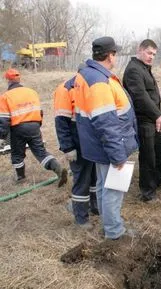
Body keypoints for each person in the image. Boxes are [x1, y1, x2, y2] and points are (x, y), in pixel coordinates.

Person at [73, 36, 139, 240]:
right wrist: (118, 155)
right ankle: (114, 232)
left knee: (103, 186)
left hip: (96, 145)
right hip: (109, 146)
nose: (116, 57)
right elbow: (106, 123)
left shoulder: (88, 75)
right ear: (110, 55)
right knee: (113, 189)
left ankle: (108, 224)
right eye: (115, 53)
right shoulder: (99, 82)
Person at [0, 68, 67, 187]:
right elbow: (40, 112)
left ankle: (21, 178)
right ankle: (57, 168)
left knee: (17, 155)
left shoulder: (5, 97)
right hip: (34, 126)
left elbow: (4, 120)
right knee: (41, 152)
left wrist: (2, 136)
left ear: (8, 80)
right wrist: (37, 126)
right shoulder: (32, 92)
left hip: (17, 129)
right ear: (19, 79)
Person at [123, 39, 161, 202]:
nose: (151, 57)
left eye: (154, 54)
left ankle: (158, 180)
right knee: (148, 156)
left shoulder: (144, 68)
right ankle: (147, 193)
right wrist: (157, 115)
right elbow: (141, 97)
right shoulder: (133, 70)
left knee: (160, 150)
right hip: (144, 120)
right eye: (149, 53)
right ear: (140, 50)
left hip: (154, 118)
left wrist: (157, 116)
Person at [54, 75, 99, 229]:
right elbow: (61, 122)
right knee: (81, 181)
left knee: (94, 177)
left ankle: (95, 207)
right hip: (77, 145)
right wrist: (68, 148)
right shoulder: (65, 90)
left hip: (92, 143)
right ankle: (81, 218)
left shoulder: (91, 86)